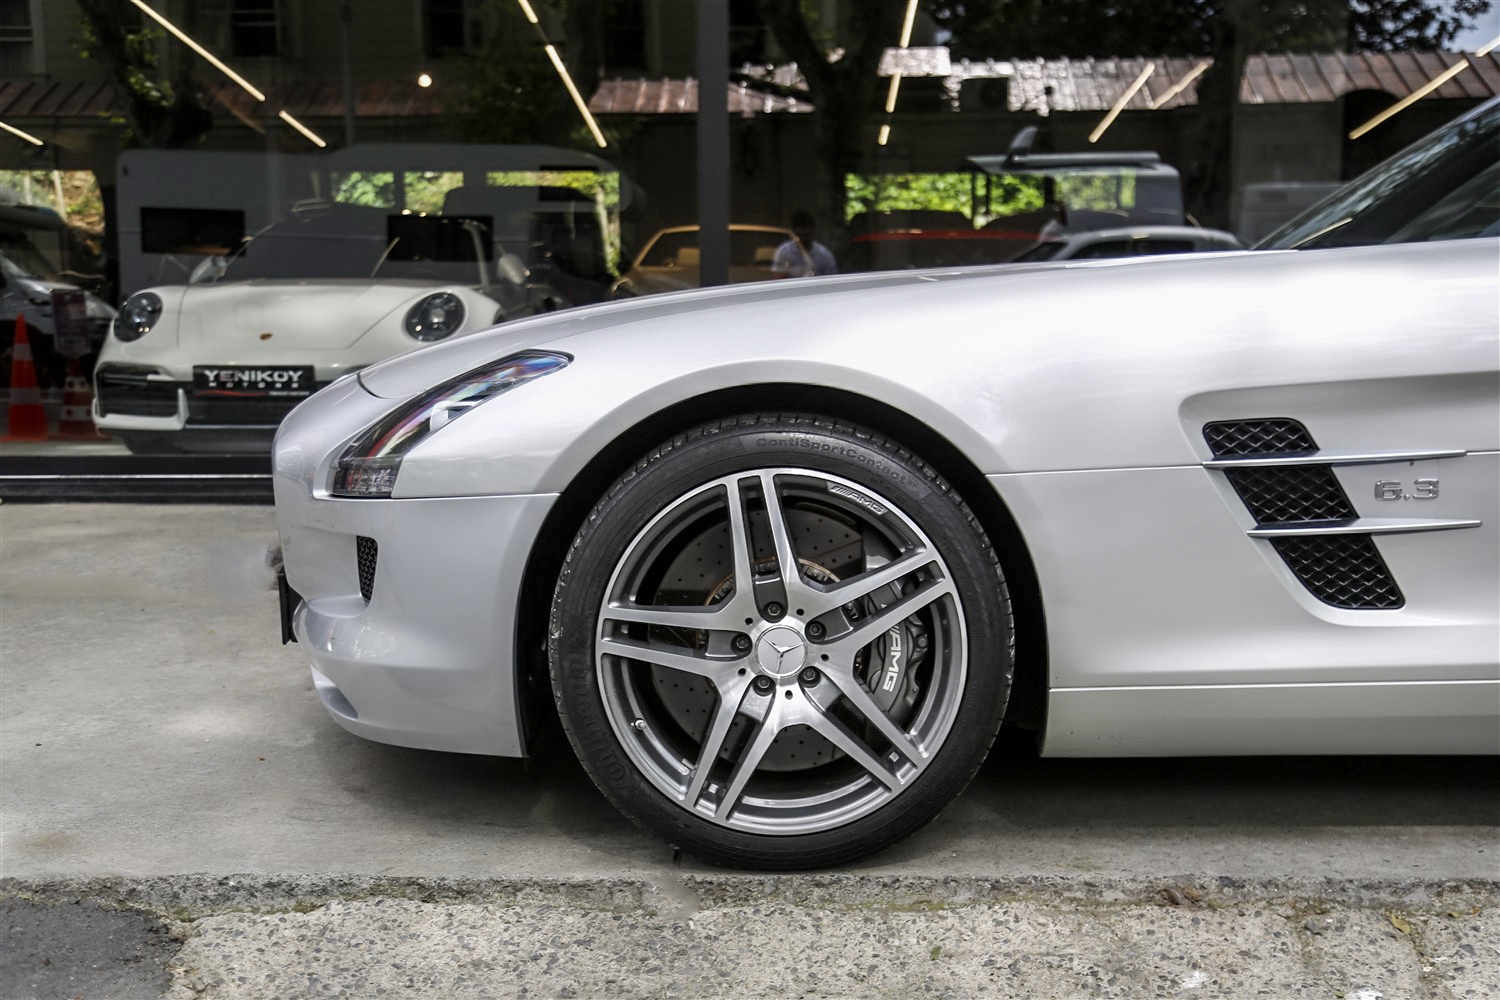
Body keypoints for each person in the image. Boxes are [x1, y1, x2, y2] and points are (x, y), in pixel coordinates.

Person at [771, 210, 837, 278]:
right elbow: (778, 277)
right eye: (800, 235)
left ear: (813, 231)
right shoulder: (784, 252)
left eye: (807, 234)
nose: (803, 238)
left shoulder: (824, 255)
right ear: (794, 233)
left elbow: (831, 279)